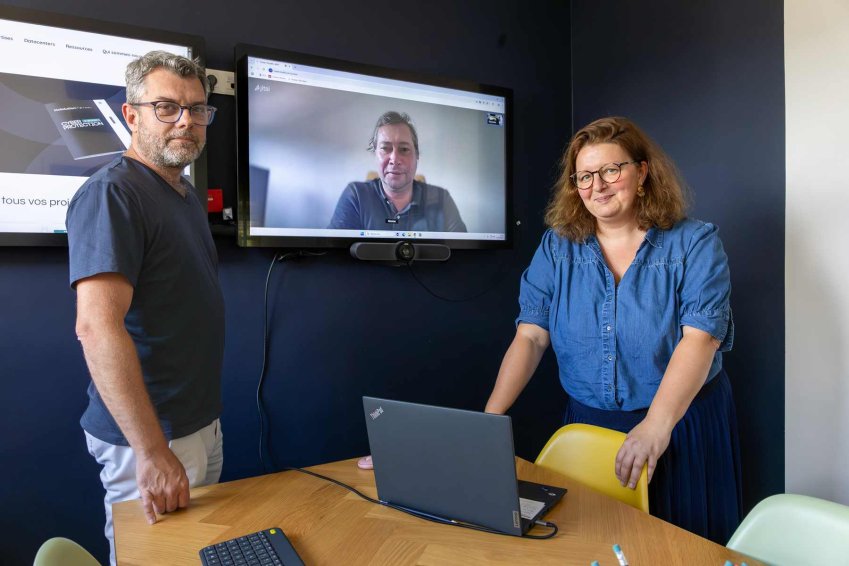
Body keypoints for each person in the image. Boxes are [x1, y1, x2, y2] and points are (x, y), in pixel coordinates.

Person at [485, 116, 741, 543]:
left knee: (680, 545)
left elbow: (701, 339)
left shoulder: (694, 243)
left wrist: (656, 427)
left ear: (642, 171)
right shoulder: (557, 246)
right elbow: (530, 336)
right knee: (592, 544)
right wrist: (490, 421)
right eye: (585, 175)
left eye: (610, 170)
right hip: (588, 425)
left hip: (679, 423)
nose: (597, 186)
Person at [66, 51, 224, 565]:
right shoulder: (114, 194)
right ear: (131, 115)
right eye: (166, 107)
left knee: (191, 553)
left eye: (197, 110)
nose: (185, 121)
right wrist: (152, 451)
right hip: (151, 436)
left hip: (195, 423)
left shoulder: (180, 194)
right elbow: (96, 327)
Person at [328, 111, 467, 232]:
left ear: (417, 155)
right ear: (375, 153)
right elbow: (335, 255)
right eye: (385, 148)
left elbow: (463, 256)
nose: (394, 159)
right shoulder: (356, 195)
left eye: (404, 149)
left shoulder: (442, 199)